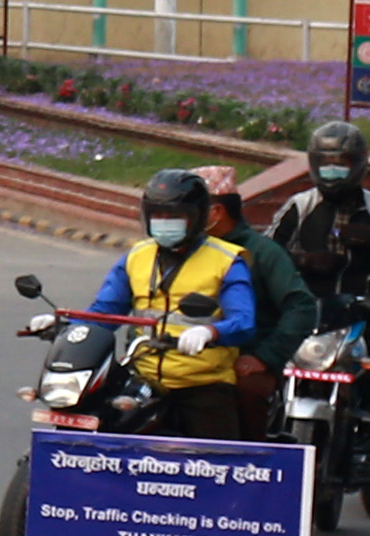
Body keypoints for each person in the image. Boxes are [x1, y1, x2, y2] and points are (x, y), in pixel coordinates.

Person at [87, 169, 262, 441]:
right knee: (102, 432)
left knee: (217, 464)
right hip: (143, 378)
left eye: (175, 216)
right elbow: (105, 311)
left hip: (202, 383)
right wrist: (67, 326)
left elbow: (244, 322)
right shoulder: (137, 256)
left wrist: (210, 333)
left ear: (197, 217)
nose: (165, 222)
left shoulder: (227, 260)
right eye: (158, 215)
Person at [198, 164, 319, 431]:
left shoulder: (262, 253)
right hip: (185, 359)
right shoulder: (181, 251)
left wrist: (265, 357)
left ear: (217, 211)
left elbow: (301, 306)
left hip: (243, 361)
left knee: (245, 396)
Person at [269, 120, 370, 310]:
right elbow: (265, 252)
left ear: (358, 165)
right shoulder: (300, 205)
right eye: (325, 164)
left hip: (364, 313)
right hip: (308, 313)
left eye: (340, 164)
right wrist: (303, 260)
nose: (332, 170)